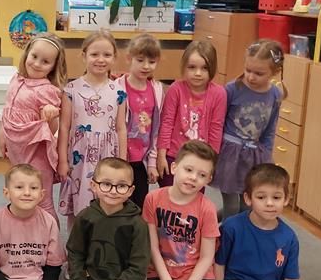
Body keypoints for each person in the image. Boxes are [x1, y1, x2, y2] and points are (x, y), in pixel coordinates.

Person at [66, 157, 149, 280]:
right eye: (106, 184)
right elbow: (75, 253)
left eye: (121, 186)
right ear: (93, 186)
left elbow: (138, 268)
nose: (113, 191)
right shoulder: (85, 217)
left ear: (131, 190)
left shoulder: (137, 225)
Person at [143, 140, 220, 280]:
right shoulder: (153, 199)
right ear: (174, 167)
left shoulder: (207, 209)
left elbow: (207, 257)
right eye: (188, 170)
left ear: (209, 179)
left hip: (197, 276)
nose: (193, 178)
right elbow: (153, 248)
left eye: (202, 175)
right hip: (163, 273)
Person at [215, 164, 300, 280]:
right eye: (261, 197)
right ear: (248, 198)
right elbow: (219, 264)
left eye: (276, 197)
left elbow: (292, 279)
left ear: (286, 199)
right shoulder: (231, 227)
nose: (269, 203)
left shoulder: (289, 237)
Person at [58, 29, 128, 227]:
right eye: (94, 54)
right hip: (79, 156)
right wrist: (62, 160)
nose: (101, 59)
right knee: (79, 203)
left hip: (108, 155)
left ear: (114, 57)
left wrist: (122, 162)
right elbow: (64, 127)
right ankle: (77, 242)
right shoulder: (71, 90)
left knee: (107, 201)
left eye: (107, 54)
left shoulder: (119, 91)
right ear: (84, 56)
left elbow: (121, 128)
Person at [215, 40, 287, 219]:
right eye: (248, 70)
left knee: (246, 206)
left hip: (254, 157)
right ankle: (225, 236)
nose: (251, 77)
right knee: (231, 206)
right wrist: (214, 151)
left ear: (275, 72)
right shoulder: (232, 89)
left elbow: (269, 130)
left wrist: (267, 159)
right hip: (229, 155)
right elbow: (219, 121)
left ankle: (208, 224)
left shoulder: (275, 95)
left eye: (259, 73)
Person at [0, 32, 67, 218]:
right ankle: (27, 229)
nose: (37, 64)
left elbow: (51, 130)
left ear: (53, 66)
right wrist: (2, 133)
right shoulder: (16, 79)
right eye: (34, 56)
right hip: (17, 150)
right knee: (20, 192)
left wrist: (51, 116)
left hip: (37, 155)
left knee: (42, 201)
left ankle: (51, 235)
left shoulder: (47, 90)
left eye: (45, 62)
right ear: (27, 53)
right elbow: (8, 109)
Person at [156, 39, 227, 187]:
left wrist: (211, 162)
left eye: (204, 68)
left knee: (194, 198)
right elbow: (167, 123)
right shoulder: (176, 89)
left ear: (212, 68)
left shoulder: (219, 93)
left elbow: (216, 128)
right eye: (192, 67)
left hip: (201, 159)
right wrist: (161, 155)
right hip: (174, 156)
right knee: (169, 194)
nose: (198, 73)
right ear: (184, 67)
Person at [120, 33, 164, 210]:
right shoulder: (117, 87)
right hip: (120, 157)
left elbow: (156, 130)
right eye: (140, 60)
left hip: (142, 160)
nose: (146, 66)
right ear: (129, 58)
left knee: (138, 206)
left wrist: (152, 163)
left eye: (151, 62)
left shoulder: (157, 90)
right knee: (117, 201)